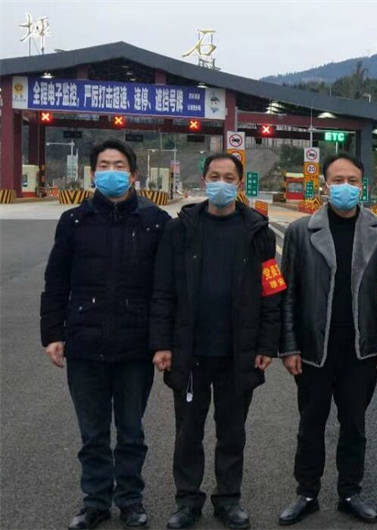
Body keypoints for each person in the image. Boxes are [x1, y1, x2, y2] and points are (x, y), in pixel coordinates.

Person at [40, 139, 170, 530]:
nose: (111, 172)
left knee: (131, 432)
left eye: (119, 166)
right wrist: (53, 334)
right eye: (103, 165)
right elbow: (56, 282)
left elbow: (165, 288)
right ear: (93, 173)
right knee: (93, 433)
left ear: (134, 175)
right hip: (85, 343)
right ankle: (95, 501)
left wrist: (162, 341)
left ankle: (130, 499)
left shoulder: (156, 222)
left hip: (135, 346)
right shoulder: (74, 221)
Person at [149, 153, 283, 530]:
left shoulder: (258, 232)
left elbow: (272, 292)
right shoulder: (180, 229)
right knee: (188, 432)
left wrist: (266, 346)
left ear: (239, 184)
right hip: (190, 350)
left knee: (232, 431)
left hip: (237, 352)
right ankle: (187, 500)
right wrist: (162, 343)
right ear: (204, 180)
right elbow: (162, 289)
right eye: (214, 175)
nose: (221, 183)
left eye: (228, 177)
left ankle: (229, 498)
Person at [277, 152, 377, 526]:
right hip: (314, 349)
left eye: (353, 181)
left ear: (362, 185)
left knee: (354, 425)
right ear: (324, 185)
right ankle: (307, 493)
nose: (346, 187)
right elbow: (287, 295)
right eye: (338, 180)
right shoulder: (301, 232)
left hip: (361, 349)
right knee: (310, 425)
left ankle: (350, 492)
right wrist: (289, 346)